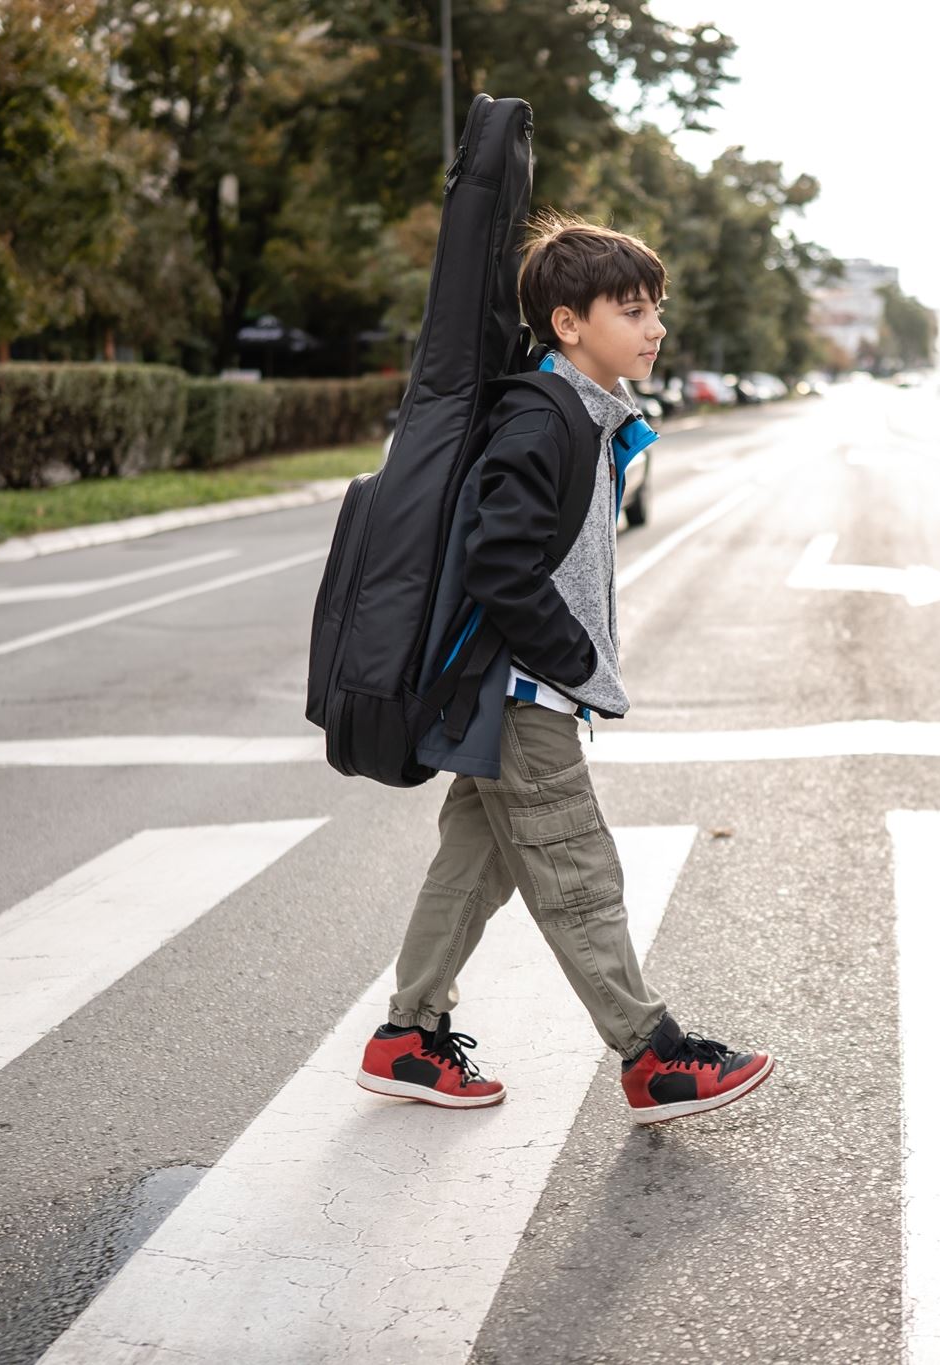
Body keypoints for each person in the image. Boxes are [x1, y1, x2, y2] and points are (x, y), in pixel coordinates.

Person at [355, 214, 775, 1125]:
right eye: (633, 310)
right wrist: (573, 655)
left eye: (655, 308)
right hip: (521, 693)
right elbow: (500, 563)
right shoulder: (544, 419)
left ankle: (406, 1038)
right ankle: (652, 1055)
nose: (656, 326)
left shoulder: (576, 410)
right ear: (568, 323)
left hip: (510, 690)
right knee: (578, 872)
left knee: (475, 867)